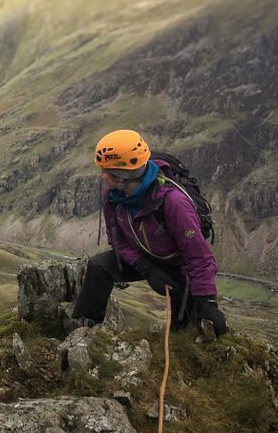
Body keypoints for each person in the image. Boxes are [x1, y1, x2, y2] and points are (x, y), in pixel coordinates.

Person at [72, 129, 228, 336]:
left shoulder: (173, 202)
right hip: (145, 259)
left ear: (121, 177)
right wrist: (147, 269)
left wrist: (208, 303)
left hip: (178, 268)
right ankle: (85, 329)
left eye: (106, 171)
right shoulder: (113, 197)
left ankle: (182, 337)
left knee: (184, 331)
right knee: (99, 267)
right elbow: (118, 241)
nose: (101, 175)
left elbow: (198, 256)